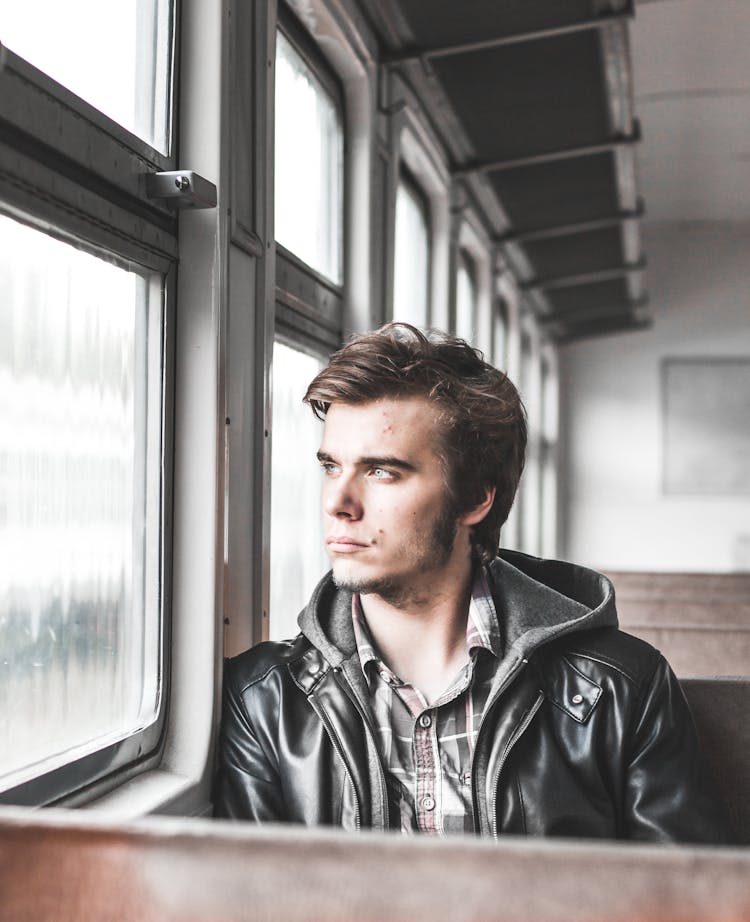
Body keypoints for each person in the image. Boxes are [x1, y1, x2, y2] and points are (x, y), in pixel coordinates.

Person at [214, 322, 731, 842]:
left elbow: (687, 900)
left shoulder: (619, 688)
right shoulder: (264, 700)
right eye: (331, 467)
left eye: (382, 472)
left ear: (475, 498)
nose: (337, 503)